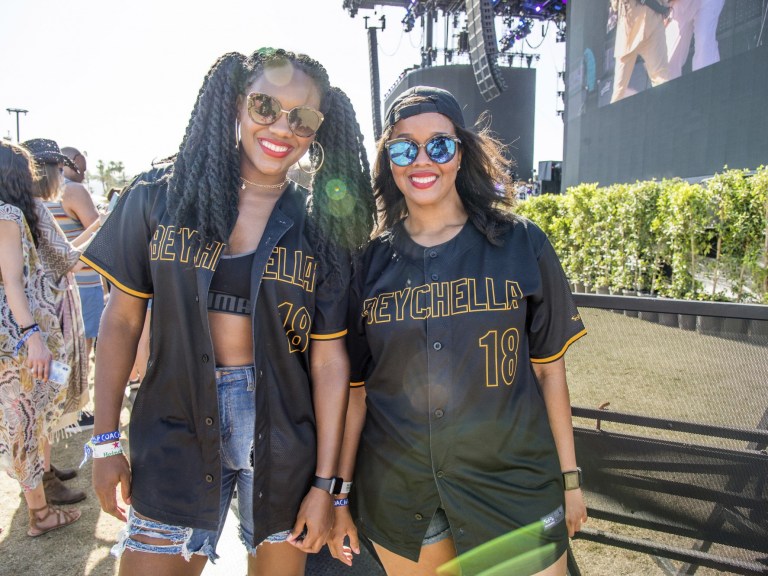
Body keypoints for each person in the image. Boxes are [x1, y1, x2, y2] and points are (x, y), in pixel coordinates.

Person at [82, 47, 375, 576]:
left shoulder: (320, 228)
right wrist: (104, 442)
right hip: (175, 422)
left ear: (319, 130)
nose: (282, 128)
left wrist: (326, 488)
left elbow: (330, 363)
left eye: (302, 118)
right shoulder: (160, 196)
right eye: (265, 106)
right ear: (237, 104)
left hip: (284, 435)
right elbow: (122, 321)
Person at [331, 86, 588, 576]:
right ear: (388, 160)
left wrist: (571, 479)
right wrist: (340, 495)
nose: (422, 159)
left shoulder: (520, 243)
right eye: (404, 147)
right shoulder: (368, 265)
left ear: (461, 153)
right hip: (403, 496)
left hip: (513, 490)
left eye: (440, 145)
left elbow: (550, 373)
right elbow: (358, 394)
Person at [0, 140, 83, 536]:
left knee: (23, 423)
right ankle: (40, 514)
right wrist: (32, 335)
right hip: (15, 339)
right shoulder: (10, 213)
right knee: (25, 424)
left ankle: (40, 507)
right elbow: (13, 281)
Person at [46, 146, 105, 430]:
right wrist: (106, 221)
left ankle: (62, 412)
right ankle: (73, 412)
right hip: (82, 282)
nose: (82, 173)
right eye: (77, 167)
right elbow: (101, 234)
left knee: (62, 352)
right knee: (81, 352)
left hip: (56, 286)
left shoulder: (36, 199)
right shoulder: (74, 192)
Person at [610, 0, 671, 103]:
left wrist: (664, 8)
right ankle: (611, 119)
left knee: (662, 80)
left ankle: (664, 115)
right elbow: (615, 5)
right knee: (619, 91)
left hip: (653, 22)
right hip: (628, 29)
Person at [665, 0, 725, 80]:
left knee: (704, 43)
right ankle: (667, 90)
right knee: (666, 57)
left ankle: (706, 87)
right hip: (681, 3)